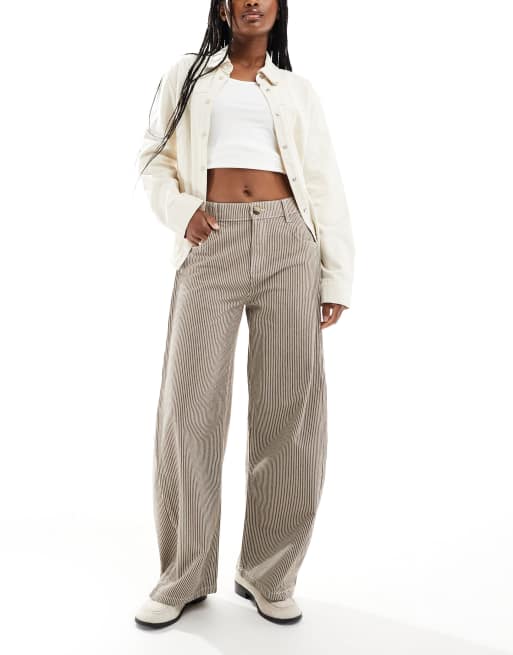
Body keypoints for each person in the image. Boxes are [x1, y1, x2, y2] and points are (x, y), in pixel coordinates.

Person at [134, 0, 355, 628]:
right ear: (223, 6)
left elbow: (324, 180)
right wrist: (183, 212)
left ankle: (269, 572)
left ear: (280, 7)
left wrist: (335, 273)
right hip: (211, 239)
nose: (253, 1)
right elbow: (154, 157)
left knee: (291, 409)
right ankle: (183, 574)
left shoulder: (297, 90)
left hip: (290, 243)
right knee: (189, 407)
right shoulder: (187, 76)